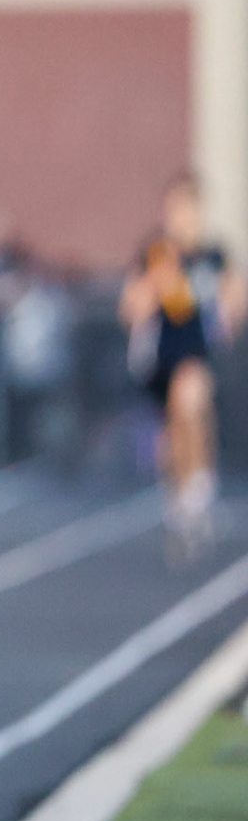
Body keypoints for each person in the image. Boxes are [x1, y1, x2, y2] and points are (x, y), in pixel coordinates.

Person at [120, 172, 246, 558]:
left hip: (199, 356)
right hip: (159, 359)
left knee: (192, 395)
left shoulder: (212, 256)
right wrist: (157, 284)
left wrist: (226, 307)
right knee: (174, 432)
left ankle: (198, 489)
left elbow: (233, 303)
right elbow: (130, 308)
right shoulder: (156, 252)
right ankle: (185, 493)